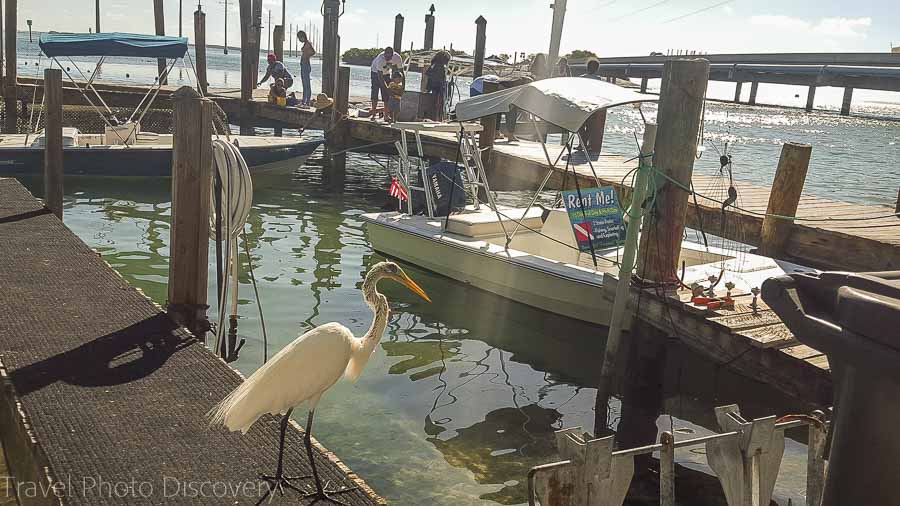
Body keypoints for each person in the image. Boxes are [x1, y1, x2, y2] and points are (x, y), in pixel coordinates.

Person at [370, 47, 402, 118]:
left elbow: (401, 72)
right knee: (375, 92)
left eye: (388, 58)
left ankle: (386, 115)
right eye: (385, 57)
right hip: (375, 72)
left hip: (387, 73)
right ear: (384, 54)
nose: (386, 59)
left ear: (392, 55)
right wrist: (387, 89)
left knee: (386, 95)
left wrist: (402, 86)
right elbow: (380, 78)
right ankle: (373, 114)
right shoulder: (380, 59)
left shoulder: (397, 58)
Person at [424, 50, 450, 121]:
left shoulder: (434, 64)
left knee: (434, 104)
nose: (447, 62)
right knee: (437, 105)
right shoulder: (438, 66)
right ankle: (436, 119)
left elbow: (428, 74)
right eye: (447, 60)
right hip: (437, 88)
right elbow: (438, 78)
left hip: (434, 87)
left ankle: (435, 118)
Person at [297, 30, 316, 106]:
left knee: (307, 84)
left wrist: (307, 56)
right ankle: (303, 101)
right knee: (304, 84)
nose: (299, 40)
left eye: (299, 38)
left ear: (303, 36)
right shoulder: (305, 43)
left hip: (306, 65)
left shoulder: (308, 43)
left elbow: (313, 52)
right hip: (303, 65)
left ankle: (307, 102)